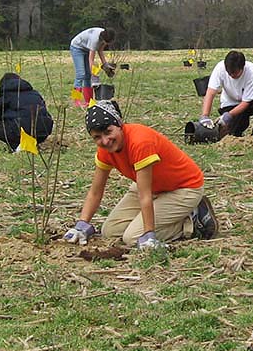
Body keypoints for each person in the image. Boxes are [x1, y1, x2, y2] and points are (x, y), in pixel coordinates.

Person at [64, 100, 217, 250]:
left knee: (133, 238)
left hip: (184, 188)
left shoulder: (140, 142)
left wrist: (149, 236)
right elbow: (95, 191)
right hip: (154, 186)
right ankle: (165, 216)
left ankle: (192, 220)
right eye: (97, 137)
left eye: (108, 132)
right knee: (110, 231)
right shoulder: (105, 150)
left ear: (120, 125)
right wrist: (81, 225)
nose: (105, 141)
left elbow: (145, 195)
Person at [199, 50, 253, 137]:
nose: (231, 75)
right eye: (229, 73)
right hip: (230, 103)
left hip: (250, 103)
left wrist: (228, 115)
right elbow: (210, 92)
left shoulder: (252, 72)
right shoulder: (220, 68)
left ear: (242, 67)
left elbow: (245, 102)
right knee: (233, 132)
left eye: (234, 73)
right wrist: (205, 116)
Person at [0, 73, 54, 152]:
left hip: (23, 130)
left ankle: (18, 147)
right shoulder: (35, 93)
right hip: (44, 131)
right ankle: (32, 144)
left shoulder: (8, 94)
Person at [69, 27, 115, 106]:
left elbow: (100, 51)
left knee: (87, 76)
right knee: (80, 75)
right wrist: (92, 73)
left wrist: (105, 65)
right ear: (104, 39)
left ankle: (89, 101)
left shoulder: (104, 36)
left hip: (86, 49)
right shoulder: (95, 40)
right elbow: (91, 59)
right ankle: (76, 100)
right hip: (77, 48)